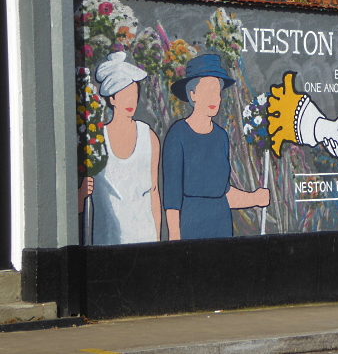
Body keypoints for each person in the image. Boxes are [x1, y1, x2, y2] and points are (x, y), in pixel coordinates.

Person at [163, 54, 270, 240]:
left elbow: (222, 192)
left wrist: (254, 199)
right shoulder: (177, 134)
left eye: (218, 92)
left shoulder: (221, 137)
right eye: (208, 91)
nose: (215, 98)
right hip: (190, 228)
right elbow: (172, 198)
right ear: (192, 94)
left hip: (221, 227)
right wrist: (174, 240)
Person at [89, 51, 162, 244]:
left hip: (145, 239)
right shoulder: (97, 139)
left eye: (133, 95)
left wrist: (158, 241)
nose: (131, 101)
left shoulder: (148, 137)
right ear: (112, 98)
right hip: (108, 242)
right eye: (124, 95)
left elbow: (154, 192)